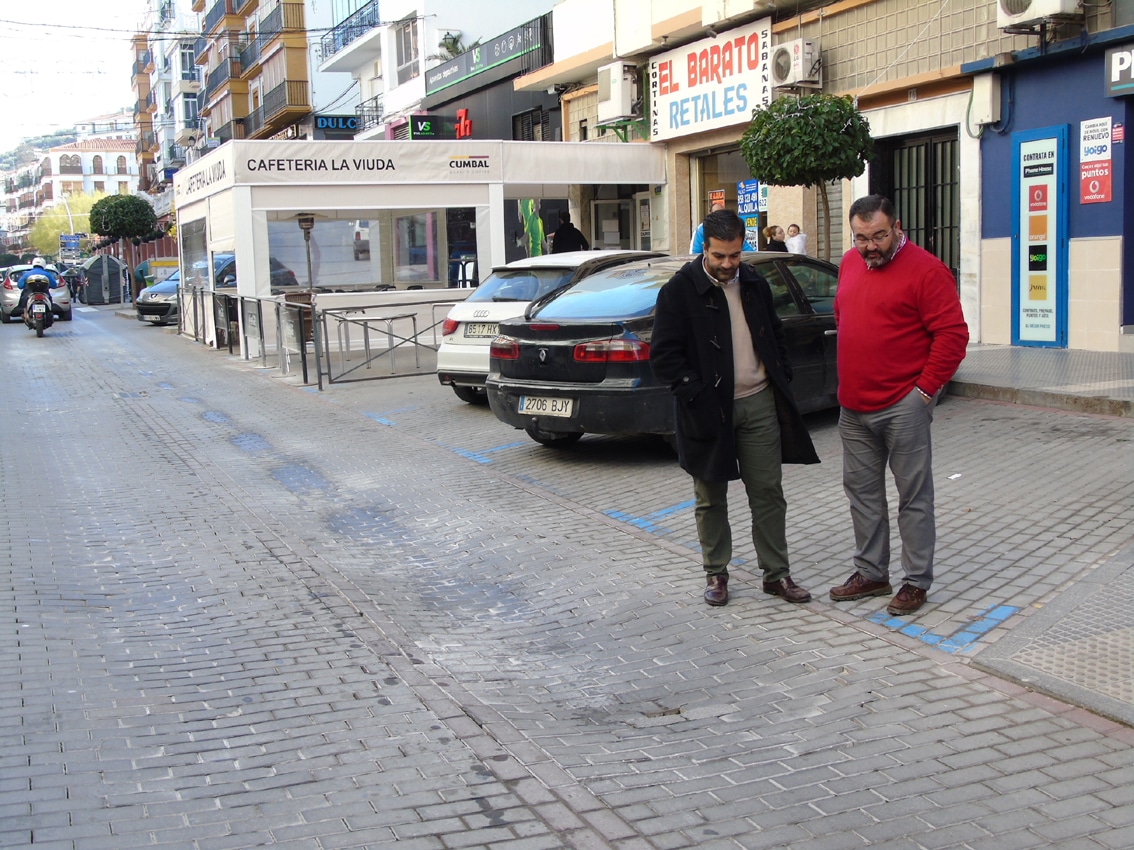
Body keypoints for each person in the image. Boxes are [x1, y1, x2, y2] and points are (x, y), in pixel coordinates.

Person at [651, 209, 820, 607]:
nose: (728, 265)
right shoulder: (678, 291)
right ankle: (716, 573)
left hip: (759, 402)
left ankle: (776, 575)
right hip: (707, 410)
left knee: (768, 492)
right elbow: (664, 356)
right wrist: (694, 392)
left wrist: (782, 372)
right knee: (710, 496)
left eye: (735, 255)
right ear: (704, 250)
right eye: (719, 257)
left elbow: (774, 332)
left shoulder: (756, 283)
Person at [830, 195, 969, 616]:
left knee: (913, 496)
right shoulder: (851, 263)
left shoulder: (927, 270)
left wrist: (924, 391)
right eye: (861, 238)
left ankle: (915, 581)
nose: (870, 246)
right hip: (853, 407)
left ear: (897, 227)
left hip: (903, 405)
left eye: (879, 236)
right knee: (862, 493)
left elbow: (952, 336)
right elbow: (843, 317)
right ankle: (872, 572)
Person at [690, 201, 754, 253]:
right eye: (716, 214)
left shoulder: (733, 228)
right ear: (710, 214)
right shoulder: (700, 230)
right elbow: (694, 255)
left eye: (722, 214)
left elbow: (749, 251)